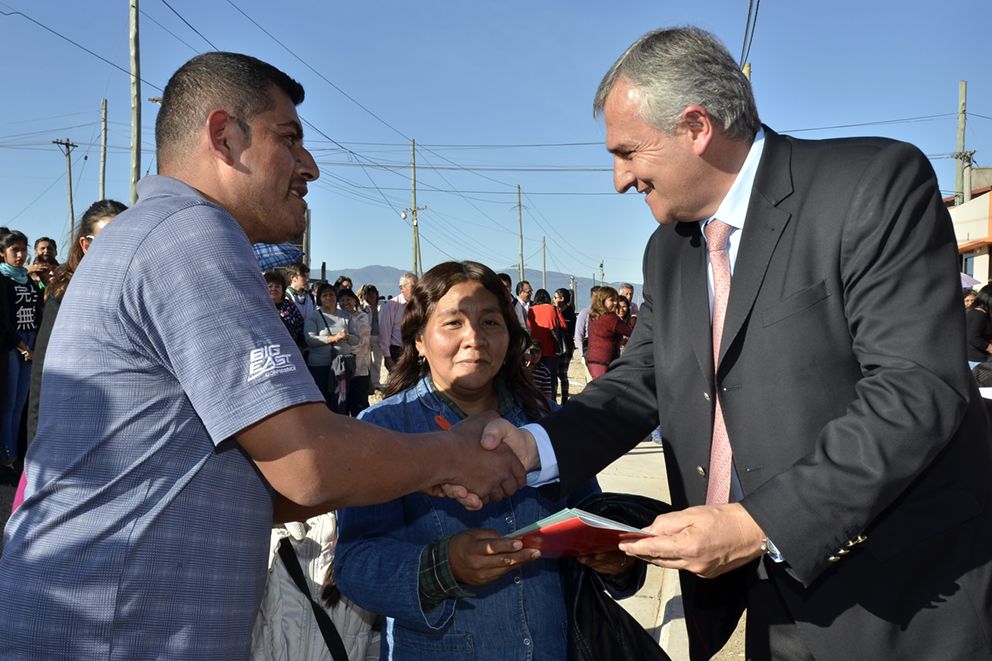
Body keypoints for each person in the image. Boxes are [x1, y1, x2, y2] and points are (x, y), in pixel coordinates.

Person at [481, 27, 992, 660]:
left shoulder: (870, 185)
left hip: (895, 595)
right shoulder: (669, 250)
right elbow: (644, 378)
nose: (618, 179)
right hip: (757, 600)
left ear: (696, 125)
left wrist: (761, 524)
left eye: (627, 152)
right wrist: (536, 446)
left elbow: (916, 388)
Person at [0, 52, 524, 660]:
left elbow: (261, 486)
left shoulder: (156, 235)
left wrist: (409, 470)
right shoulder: (191, 234)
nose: (310, 166)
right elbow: (308, 463)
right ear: (224, 136)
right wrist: (451, 455)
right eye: (290, 138)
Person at [334, 261, 630, 661]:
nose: (475, 338)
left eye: (491, 323)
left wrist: (613, 557)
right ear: (418, 340)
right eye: (453, 323)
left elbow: (593, 513)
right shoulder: (384, 428)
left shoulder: (546, 420)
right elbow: (354, 565)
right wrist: (443, 566)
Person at [0, 230, 43, 468]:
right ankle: (6, 456)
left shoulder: (27, 279)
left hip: (31, 343)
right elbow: (4, 321)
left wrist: (33, 345)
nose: (19, 255)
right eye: (14, 250)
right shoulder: (2, 280)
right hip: (12, 345)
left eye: (23, 249)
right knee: (8, 404)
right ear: (2, 253)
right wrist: (22, 346)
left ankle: (15, 454)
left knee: (21, 404)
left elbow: (38, 312)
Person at [306, 283, 356, 413]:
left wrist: (346, 337)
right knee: (322, 402)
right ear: (319, 298)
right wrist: (333, 339)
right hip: (320, 366)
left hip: (341, 368)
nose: (329, 297)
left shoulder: (346, 316)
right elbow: (310, 340)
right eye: (325, 295)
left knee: (340, 401)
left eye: (332, 294)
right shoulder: (313, 316)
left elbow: (357, 339)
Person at [585, 286, 634, 379]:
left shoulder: (594, 315)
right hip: (604, 362)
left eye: (616, 299)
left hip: (593, 360)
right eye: (612, 300)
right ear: (602, 301)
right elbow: (630, 332)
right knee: (604, 391)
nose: (616, 303)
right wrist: (634, 319)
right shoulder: (611, 318)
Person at [526, 288, 567, 400]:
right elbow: (564, 325)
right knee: (550, 379)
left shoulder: (531, 310)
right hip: (551, 350)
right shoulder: (553, 309)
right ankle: (551, 404)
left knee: (535, 377)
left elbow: (528, 328)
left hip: (534, 349)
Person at [337, 287, 372, 416]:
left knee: (360, 402)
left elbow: (363, 339)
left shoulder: (362, 316)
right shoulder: (338, 317)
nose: (345, 302)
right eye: (342, 300)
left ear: (355, 300)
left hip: (360, 365)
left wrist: (347, 347)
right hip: (343, 367)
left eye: (348, 299)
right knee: (344, 403)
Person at [378, 271, 417, 372]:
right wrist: (387, 357)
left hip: (415, 349)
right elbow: (385, 331)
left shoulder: (418, 305)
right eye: (413, 287)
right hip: (397, 351)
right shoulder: (392, 305)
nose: (416, 290)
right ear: (401, 288)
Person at [265, 269, 306, 350]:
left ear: (282, 289)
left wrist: (301, 347)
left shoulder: (289, 305)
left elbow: (300, 326)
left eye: (277, 286)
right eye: (270, 286)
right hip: (267, 349)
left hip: (291, 348)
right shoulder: (259, 306)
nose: (273, 289)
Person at [359, 283, 385, 391]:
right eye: (369, 294)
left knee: (377, 360)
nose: (371, 296)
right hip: (366, 336)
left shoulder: (383, 305)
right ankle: (367, 382)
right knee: (366, 360)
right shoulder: (363, 307)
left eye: (373, 293)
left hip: (379, 335)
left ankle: (375, 382)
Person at [553, 287, 576, 403]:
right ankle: (554, 399)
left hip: (566, 347)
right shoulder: (553, 311)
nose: (554, 299)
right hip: (555, 347)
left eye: (556, 297)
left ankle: (564, 400)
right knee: (554, 374)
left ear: (562, 299)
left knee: (562, 374)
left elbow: (570, 331)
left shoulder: (570, 313)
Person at [965, 283, 992, 368]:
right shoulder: (979, 314)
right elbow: (973, 337)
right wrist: (989, 347)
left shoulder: (976, 312)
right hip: (976, 360)